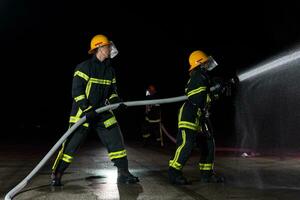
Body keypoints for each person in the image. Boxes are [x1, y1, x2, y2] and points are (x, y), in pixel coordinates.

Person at [51, 34, 139, 186]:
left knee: (116, 138)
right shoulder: (84, 67)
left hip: (102, 111)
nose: (110, 49)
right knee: (71, 144)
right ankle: (57, 173)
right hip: (83, 113)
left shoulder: (110, 70)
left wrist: (116, 102)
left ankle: (123, 173)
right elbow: (77, 91)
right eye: (107, 46)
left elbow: (112, 91)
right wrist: (87, 108)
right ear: (99, 47)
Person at [168, 50, 227, 185]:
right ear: (199, 64)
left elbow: (208, 98)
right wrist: (213, 87)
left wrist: (219, 89)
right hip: (189, 114)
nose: (207, 65)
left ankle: (207, 174)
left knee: (209, 144)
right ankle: (174, 172)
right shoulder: (197, 76)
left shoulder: (204, 78)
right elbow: (197, 97)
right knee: (186, 145)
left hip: (201, 116)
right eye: (205, 63)